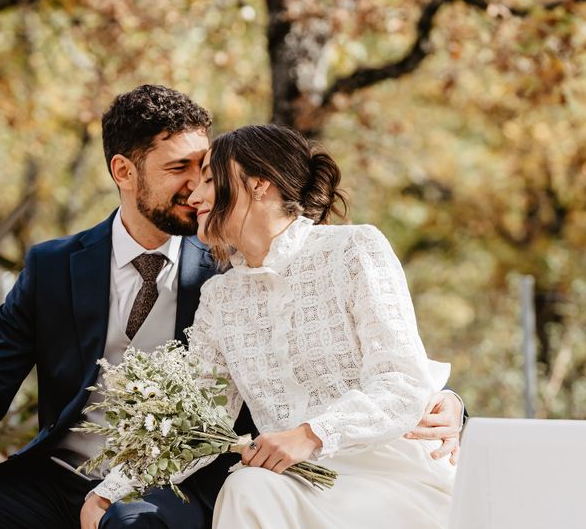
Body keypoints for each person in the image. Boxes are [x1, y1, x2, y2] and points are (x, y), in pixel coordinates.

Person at [0, 86, 464, 529]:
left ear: (255, 185)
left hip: (220, 482)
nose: (197, 190)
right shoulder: (64, 267)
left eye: (207, 171)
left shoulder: (265, 258)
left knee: (165, 514)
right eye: (180, 170)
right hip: (62, 473)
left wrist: (449, 406)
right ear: (123, 172)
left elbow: (394, 366)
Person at [85, 123, 456, 528]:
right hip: (290, 484)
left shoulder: (354, 249)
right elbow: (198, 422)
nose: (194, 196)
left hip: (389, 475)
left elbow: (402, 382)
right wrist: (108, 492)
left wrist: (311, 434)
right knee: (247, 487)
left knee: (252, 486)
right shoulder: (220, 298)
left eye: (209, 179)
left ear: (259, 184)